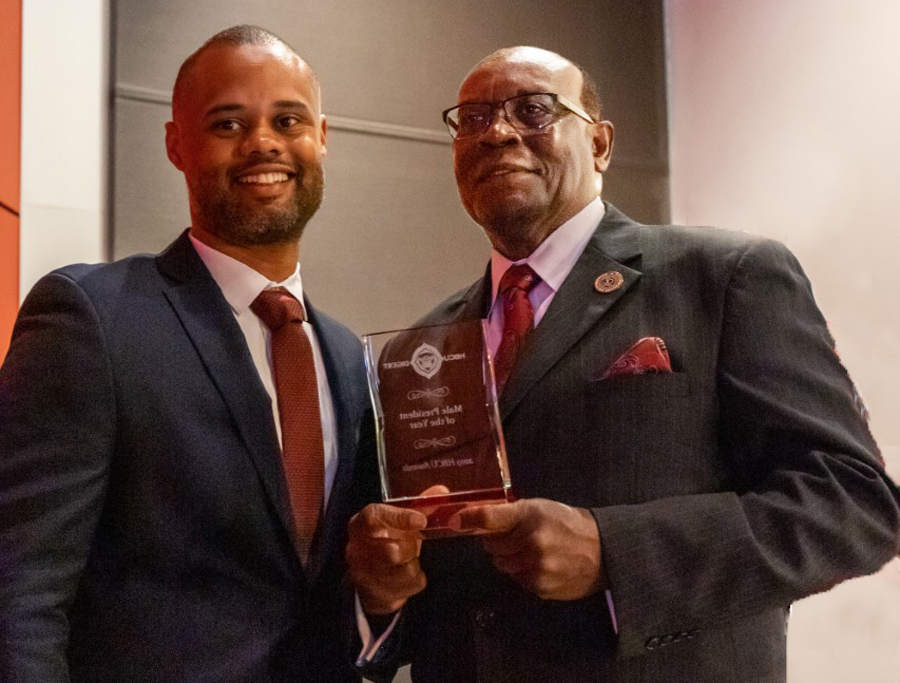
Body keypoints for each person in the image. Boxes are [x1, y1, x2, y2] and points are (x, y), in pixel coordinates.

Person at [346, 46, 900, 682]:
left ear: (601, 145)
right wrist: (380, 594)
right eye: (471, 120)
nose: (496, 132)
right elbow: (426, 594)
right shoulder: (419, 349)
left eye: (533, 109)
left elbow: (853, 505)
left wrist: (614, 553)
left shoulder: (724, 278)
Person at [0, 25, 373, 683]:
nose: (263, 141)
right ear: (176, 144)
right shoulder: (92, 316)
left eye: (287, 119)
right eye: (228, 122)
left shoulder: (348, 357)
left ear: (322, 138)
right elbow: (19, 583)